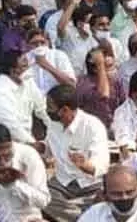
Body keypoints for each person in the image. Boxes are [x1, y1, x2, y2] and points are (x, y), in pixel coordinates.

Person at [41, 84, 110, 221]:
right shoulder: (53, 124)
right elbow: (48, 151)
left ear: (64, 110)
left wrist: (84, 165)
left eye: (50, 107)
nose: (47, 110)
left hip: (90, 185)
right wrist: (40, 147)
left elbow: (102, 165)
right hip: (62, 182)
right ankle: (84, 217)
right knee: (42, 198)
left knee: (104, 201)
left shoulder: (93, 126)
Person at [0, 123, 50, 220]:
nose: (2, 162)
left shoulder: (28, 155)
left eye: (7, 155)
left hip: (26, 218)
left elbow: (43, 201)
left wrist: (14, 184)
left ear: (12, 144)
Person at [0, 51, 47, 144]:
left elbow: (43, 109)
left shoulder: (27, 81)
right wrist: (35, 145)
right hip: (4, 144)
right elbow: (11, 127)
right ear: (13, 71)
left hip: (28, 140)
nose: (29, 69)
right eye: (25, 66)